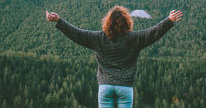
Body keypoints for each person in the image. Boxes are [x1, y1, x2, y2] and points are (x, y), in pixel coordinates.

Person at [46, 6, 183, 108]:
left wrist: (59, 21)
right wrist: (169, 21)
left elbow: (77, 34)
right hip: (125, 87)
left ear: (107, 22)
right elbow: (153, 33)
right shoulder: (135, 39)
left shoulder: (98, 38)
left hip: (105, 87)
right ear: (127, 22)